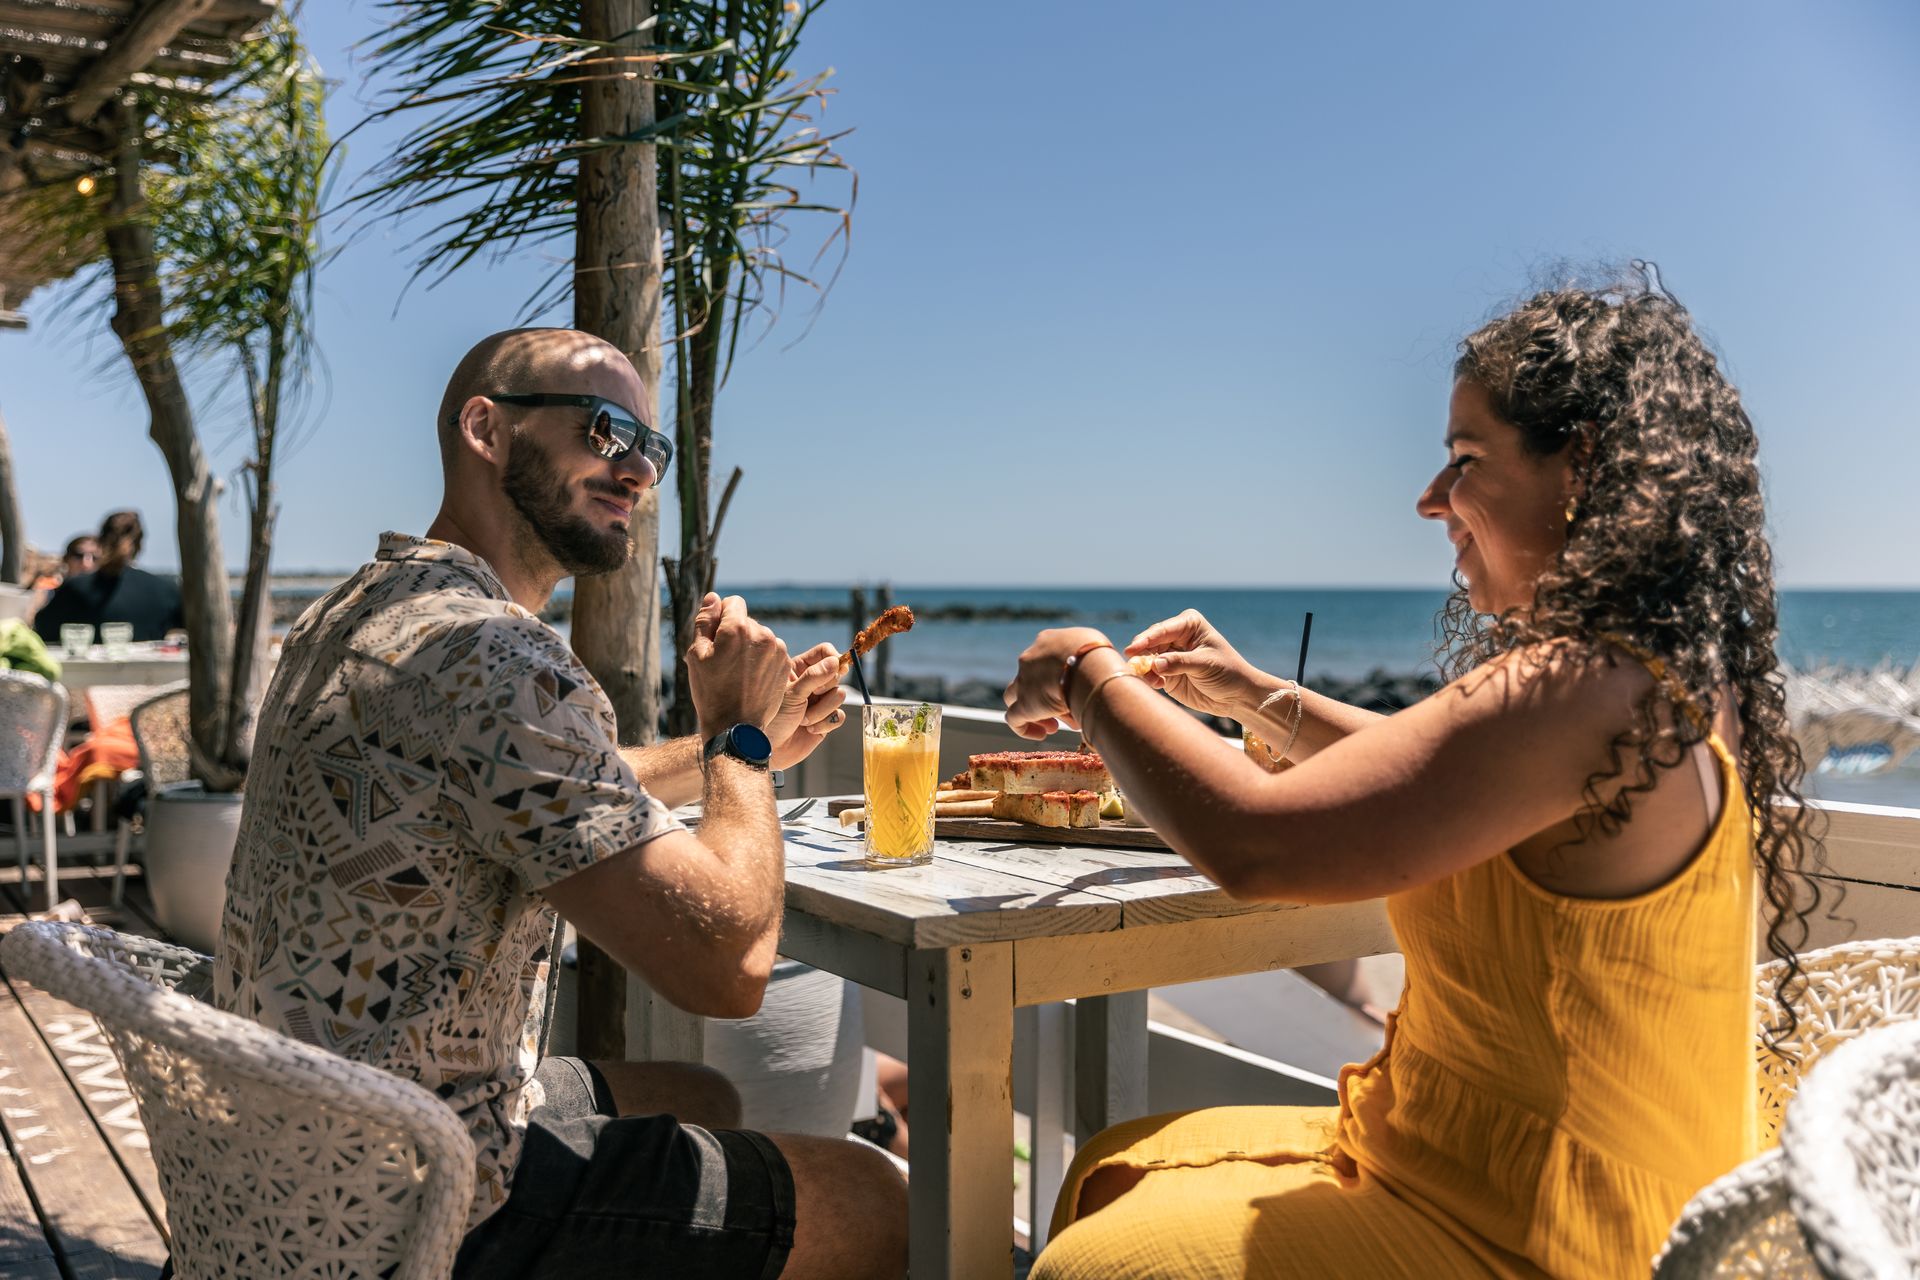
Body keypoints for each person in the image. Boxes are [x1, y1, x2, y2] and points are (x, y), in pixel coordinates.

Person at [1003, 271, 1815, 1279]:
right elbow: (1430, 775)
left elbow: (1258, 842)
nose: (1432, 499)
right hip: (1474, 1164)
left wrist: (1088, 675)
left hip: (1543, 1231)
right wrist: (1257, 695)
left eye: (1466, 460)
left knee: (1091, 1264)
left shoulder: (1587, 690)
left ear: (1585, 469)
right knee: (1111, 1168)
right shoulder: (1641, 678)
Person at [215, 328, 906, 1280]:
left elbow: (538, 774)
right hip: (412, 1202)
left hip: (288, 1152)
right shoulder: (498, 655)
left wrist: (732, 748)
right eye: (606, 431)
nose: (638, 472)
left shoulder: (367, 610)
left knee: (701, 1095)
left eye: (651, 449)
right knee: (878, 1200)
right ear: (486, 429)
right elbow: (731, 968)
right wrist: (736, 742)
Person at [31, 511, 184, 643]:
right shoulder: (166, 590)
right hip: (153, 669)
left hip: (87, 669)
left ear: (101, 542)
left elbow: (43, 629)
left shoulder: (75, 589)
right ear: (140, 545)